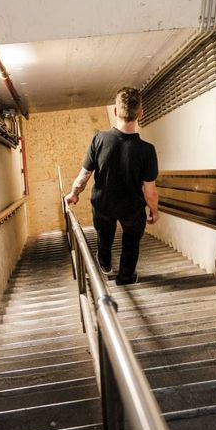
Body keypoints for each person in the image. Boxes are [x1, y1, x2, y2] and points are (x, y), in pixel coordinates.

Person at [65, 87, 160, 286]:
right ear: (140, 114)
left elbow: (83, 176)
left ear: (116, 112)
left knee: (104, 236)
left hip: (103, 204)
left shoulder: (99, 139)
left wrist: (74, 193)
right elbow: (150, 191)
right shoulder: (147, 151)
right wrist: (154, 211)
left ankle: (105, 263)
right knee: (131, 242)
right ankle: (125, 277)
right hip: (132, 208)